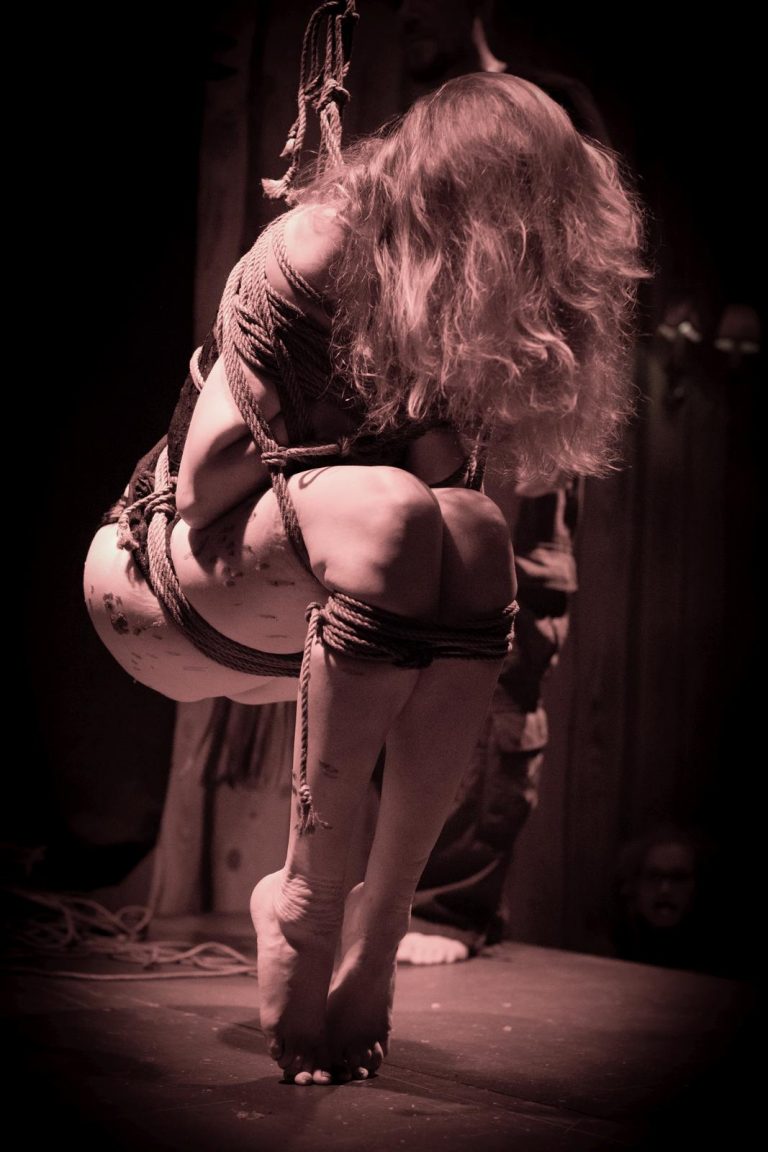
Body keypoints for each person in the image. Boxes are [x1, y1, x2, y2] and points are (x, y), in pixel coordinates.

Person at [84, 71, 644, 1084]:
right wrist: (378, 442)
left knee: (478, 532)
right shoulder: (318, 245)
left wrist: (424, 429)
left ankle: (377, 928)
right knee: (396, 508)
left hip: (311, 608)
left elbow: (444, 518)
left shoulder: (450, 309)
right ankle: (307, 904)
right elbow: (204, 485)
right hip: (161, 582)